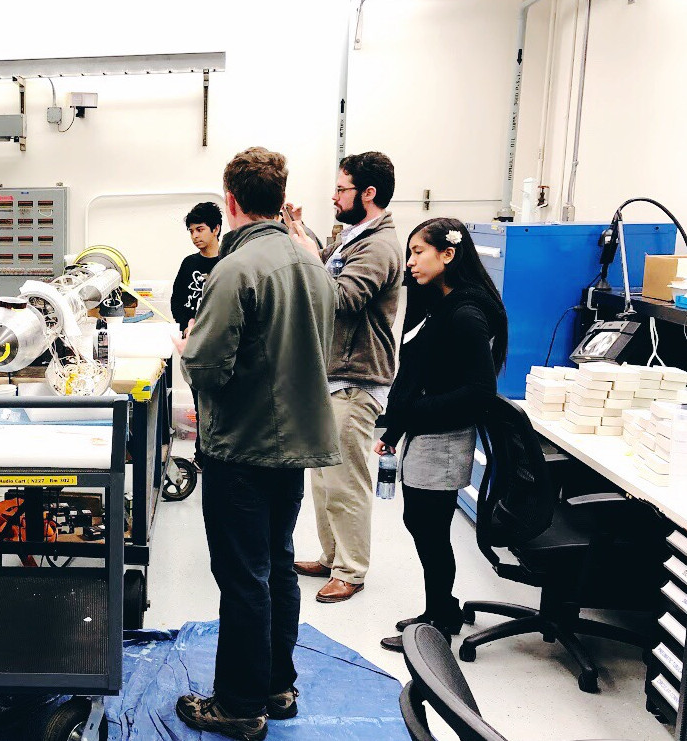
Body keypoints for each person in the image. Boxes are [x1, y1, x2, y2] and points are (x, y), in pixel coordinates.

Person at [175, 148, 340, 741]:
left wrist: (188, 343)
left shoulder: (234, 270)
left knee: (243, 578)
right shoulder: (310, 263)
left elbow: (209, 367)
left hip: (241, 448)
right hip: (291, 448)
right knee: (275, 565)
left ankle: (240, 705)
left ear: (231, 202)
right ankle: (276, 684)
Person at [374, 217, 508, 653]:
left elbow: (479, 393)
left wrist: (412, 413)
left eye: (418, 252)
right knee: (421, 522)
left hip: (445, 438)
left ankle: (438, 620)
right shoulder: (436, 302)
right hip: (425, 431)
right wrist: (395, 425)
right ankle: (442, 608)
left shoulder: (466, 314)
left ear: (448, 255)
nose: (410, 261)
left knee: (430, 529)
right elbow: (415, 370)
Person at [283, 151, 404, 604]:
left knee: (346, 480)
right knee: (322, 477)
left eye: (341, 189)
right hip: (332, 376)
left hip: (356, 379)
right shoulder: (356, 236)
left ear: (367, 193)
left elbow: (343, 296)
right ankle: (332, 556)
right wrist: (300, 231)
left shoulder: (379, 245)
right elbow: (327, 262)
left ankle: (351, 570)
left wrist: (310, 254)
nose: (334, 196)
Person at [171, 201, 224, 335]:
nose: (194, 236)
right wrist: (185, 327)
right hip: (191, 339)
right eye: (191, 231)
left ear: (216, 229)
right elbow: (176, 302)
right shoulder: (188, 263)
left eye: (200, 229)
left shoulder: (228, 263)